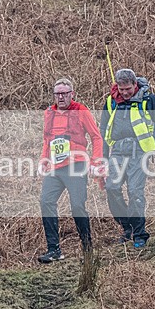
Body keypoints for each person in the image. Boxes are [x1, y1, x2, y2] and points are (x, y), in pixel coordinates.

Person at [99, 68, 155, 249]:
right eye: (121, 89)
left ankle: (140, 234)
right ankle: (128, 227)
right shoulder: (111, 102)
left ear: (135, 84)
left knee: (135, 192)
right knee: (111, 187)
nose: (124, 93)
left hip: (140, 153)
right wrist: (102, 158)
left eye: (128, 89)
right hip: (116, 152)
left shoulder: (148, 100)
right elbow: (102, 131)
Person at [37, 78, 104, 263]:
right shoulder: (48, 113)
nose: (60, 97)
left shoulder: (81, 111)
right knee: (46, 201)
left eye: (64, 93)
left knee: (77, 206)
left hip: (77, 165)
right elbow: (47, 139)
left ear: (71, 94)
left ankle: (87, 249)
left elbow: (96, 138)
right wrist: (43, 159)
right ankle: (54, 250)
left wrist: (95, 162)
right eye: (57, 93)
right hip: (55, 167)